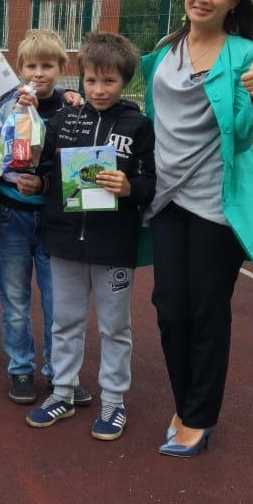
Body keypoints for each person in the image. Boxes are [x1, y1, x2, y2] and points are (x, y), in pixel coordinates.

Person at [142, 0, 253, 456]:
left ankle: (198, 416)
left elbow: (241, 138)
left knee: (206, 311)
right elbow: (153, 122)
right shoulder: (164, 51)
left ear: (234, 0)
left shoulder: (245, 55)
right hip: (166, 201)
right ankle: (186, 402)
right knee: (169, 310)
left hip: (216, 206)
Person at [25, 32, 155, 440]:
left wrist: (129, 187)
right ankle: (62, 392)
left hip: (114, 245)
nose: (99, 90)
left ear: (124, 81)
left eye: (109, 81)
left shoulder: (138, 126)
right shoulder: (64, 120)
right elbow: (47, 171)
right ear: (81, 78)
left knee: (114, 326)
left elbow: (152, 182)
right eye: (92, 80)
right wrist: (38, 183)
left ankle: (113, 401)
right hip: (65, 240)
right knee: (65, 321)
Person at [0, 28, 93, 407]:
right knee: (15, 299)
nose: (39, 73)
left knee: (59, 304)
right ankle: (20, 368)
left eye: (47, 66)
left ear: (61, 68)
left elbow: (77, 157)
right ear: (18, 68)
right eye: (31, 66)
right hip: (12, 217)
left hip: (54, 221)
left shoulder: (72, 109)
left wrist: (59, 114)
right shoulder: (6, 105)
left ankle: (59, 372)